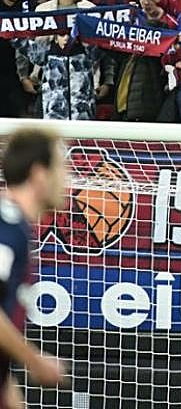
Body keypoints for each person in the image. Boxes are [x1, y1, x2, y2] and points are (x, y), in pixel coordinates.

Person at [0, 127, 68, 408]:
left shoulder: (16, 227)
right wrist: (34, 360)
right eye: (61, 169)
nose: (66, 179)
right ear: (40, 175)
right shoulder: (7, 227)